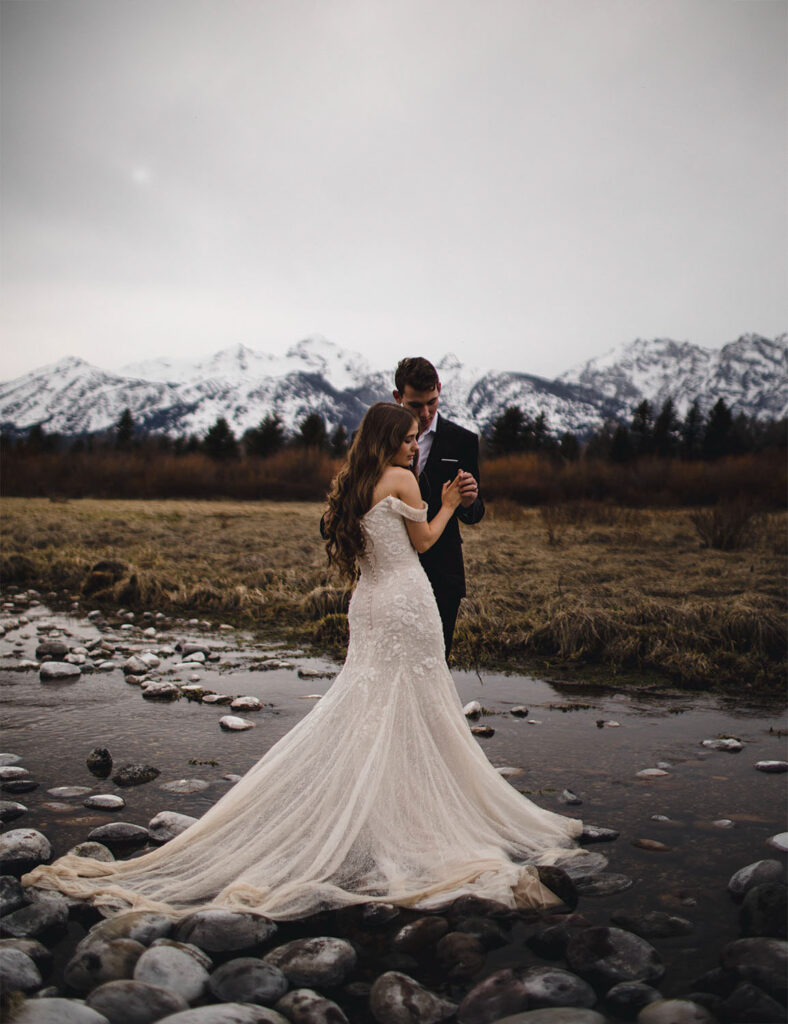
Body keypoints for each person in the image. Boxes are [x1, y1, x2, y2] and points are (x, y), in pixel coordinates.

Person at [23, 403, 580, 920]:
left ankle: (374, 804)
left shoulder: (357, 482)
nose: (416, 446)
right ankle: (407, 814)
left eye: (417, 439)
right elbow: (426, 542)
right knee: (416, 704)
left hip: (368, 603)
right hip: (406, 603)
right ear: (389, 440)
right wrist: (452, 504)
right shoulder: (404, 479)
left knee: (368, 703)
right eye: (409, 439)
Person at [392, 357, 484, 658]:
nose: (426, 413)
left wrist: (469, 503)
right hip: (388, 574)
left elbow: (476, 512)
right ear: (397, 398)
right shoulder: (367, 444)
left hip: (441, 572)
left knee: (433, 665)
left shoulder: (463, 442)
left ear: (440, 389)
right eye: (415, 405)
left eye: (432, 402)